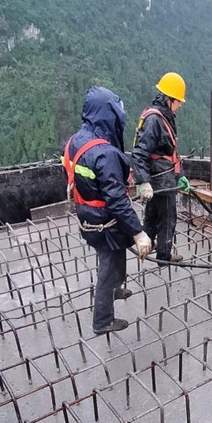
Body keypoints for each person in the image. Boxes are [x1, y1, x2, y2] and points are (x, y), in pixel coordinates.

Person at [62, 86, 152, 334]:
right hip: (104, 221)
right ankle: (102, 321)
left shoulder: (75, 142)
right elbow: (117, 201)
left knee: (113, 257)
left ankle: (115, 291)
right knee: (109, 268)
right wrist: (138, 233)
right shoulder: (105, 154)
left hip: (87, 215)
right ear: (109, 116)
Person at [132, 72, 191, 264]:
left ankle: (147, 245)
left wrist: (179, 175)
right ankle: (164, 256)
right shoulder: (155, 120)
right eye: (178, 101)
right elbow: (139, 152)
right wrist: (143, 182)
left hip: (162, 176)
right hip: (160, 179)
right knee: (167, 218)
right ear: (169, 99)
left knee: (152, 213)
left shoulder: (162, 116)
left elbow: (170, 150)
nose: (181, 105)